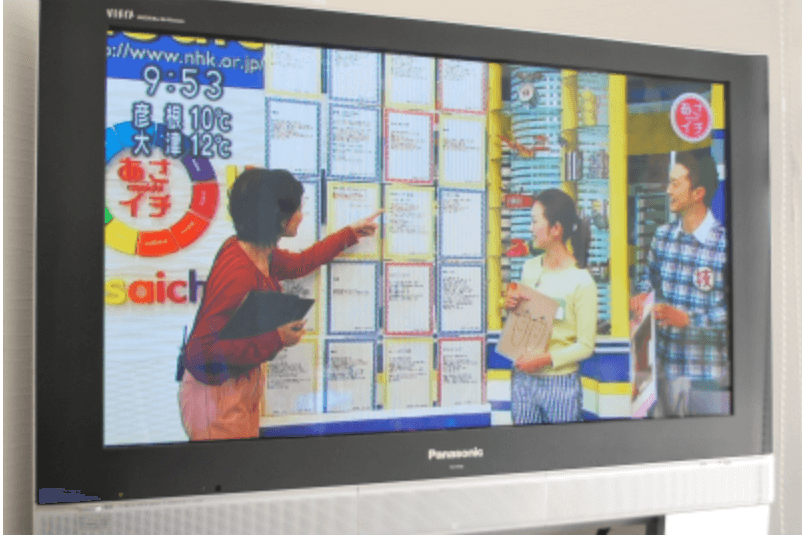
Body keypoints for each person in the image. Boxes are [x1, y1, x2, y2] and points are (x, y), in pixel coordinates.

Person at [178, 168, 381, 440]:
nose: (301, 215)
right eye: (297, 209)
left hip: (235, 390)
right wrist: (277, 338)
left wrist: (349, 234)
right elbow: (201, 353)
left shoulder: (258, 252)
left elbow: (301, 263)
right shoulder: (239, 273)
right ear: (277, 217)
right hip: (216, 398)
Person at [630, 153, 728, 417]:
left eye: (675, 184)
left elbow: (737, 312)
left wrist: (688, 319)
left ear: (698, 193)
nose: (668, 191)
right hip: (664, 376)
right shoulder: (662, 237)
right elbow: (647, 280)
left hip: (706, 378)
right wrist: (641, 296)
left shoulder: (723, 245)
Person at [505, 188, 598, 424]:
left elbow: (585, 346)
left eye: (535, 221)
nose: (530, 229)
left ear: (556, 229)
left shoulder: (582, 282)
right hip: (523, 380)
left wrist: (544, 359)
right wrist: (511, 306)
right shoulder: (529, 268)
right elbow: (525, 320)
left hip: (560, 385)